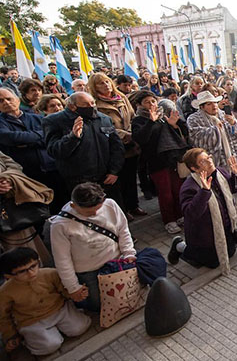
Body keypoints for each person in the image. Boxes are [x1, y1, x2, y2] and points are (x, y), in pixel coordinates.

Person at [49, 183, 137, 312]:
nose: (95, 213)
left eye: (98, 209)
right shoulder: (60, 226)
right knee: (99, 307)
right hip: (89, 272)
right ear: (74, 206)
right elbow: (62, 260)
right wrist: (73, 287)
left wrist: (128, 253)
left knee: (124, 298)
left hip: (117, 261)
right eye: (89, 212)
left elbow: (123, 230)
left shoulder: (110, 204)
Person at [0, 248, 91, 356]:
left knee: (80, 328)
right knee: (50, 346)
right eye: (22, 271)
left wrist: (76, 293)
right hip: (31, 320)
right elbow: (3, 316)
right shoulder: (5, 292)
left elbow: (64, 290)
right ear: (8, 276)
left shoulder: (50, 273)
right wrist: (11, 335)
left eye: (33, 266)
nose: (31, 273)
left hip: (59, 309)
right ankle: (31, 338)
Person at [42, 92, 125, 208]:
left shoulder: (103, 118)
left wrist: (114, 171)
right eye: (85, 105)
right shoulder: (55, 121)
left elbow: (116, 146)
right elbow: (54, 151)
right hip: (78, 181)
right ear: (72, 106)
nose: (91, 107)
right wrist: (72, 137)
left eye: (92, 103)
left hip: (106, 178)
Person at [168, 149, 237, 274]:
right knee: (213, 262)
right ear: (194, 168)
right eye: (204, 161)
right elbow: (191, 214)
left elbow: (233, 188)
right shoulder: (189, 186)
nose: (210, 161)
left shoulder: (219, 172)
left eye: (209, 157)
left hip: (224, 227)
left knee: (230, 253)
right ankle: (179, 246)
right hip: (204, 235)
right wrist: (204, 191)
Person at [131, 92, 190, 234]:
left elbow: (181, 133)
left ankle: (180, 215)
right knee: (165, 193)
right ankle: (169, 220)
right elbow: (141, 139)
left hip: (172, 159)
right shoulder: (139, 120)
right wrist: (151, 122)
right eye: (147, 102)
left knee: (177, 189)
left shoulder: (163, 117)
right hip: (156, 162)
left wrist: (174, 125)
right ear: (139, 105)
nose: (152, 104)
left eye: (153, 101)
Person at [89, 73, 145, 218]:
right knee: (118, 181)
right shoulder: (95, 103)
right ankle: (123, 210)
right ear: (94, 87)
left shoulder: (121, 97)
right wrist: (122, 134)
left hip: (130, 144)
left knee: (131, 178)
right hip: (114, 146)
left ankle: (134, 206)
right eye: (101, 83)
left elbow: (133, 117)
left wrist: (132, 132)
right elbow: (102, 126)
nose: (105, 85)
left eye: (107, 82)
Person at [187, 91, 237, 171]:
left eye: (215, 102)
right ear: (202, 107)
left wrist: (233, 123)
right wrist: (215, 129)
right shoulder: (193, 119)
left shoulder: (223, 114)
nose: (214, 106)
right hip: (214, 160)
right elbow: (196, 138)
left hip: (233, 155)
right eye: (209, 104)